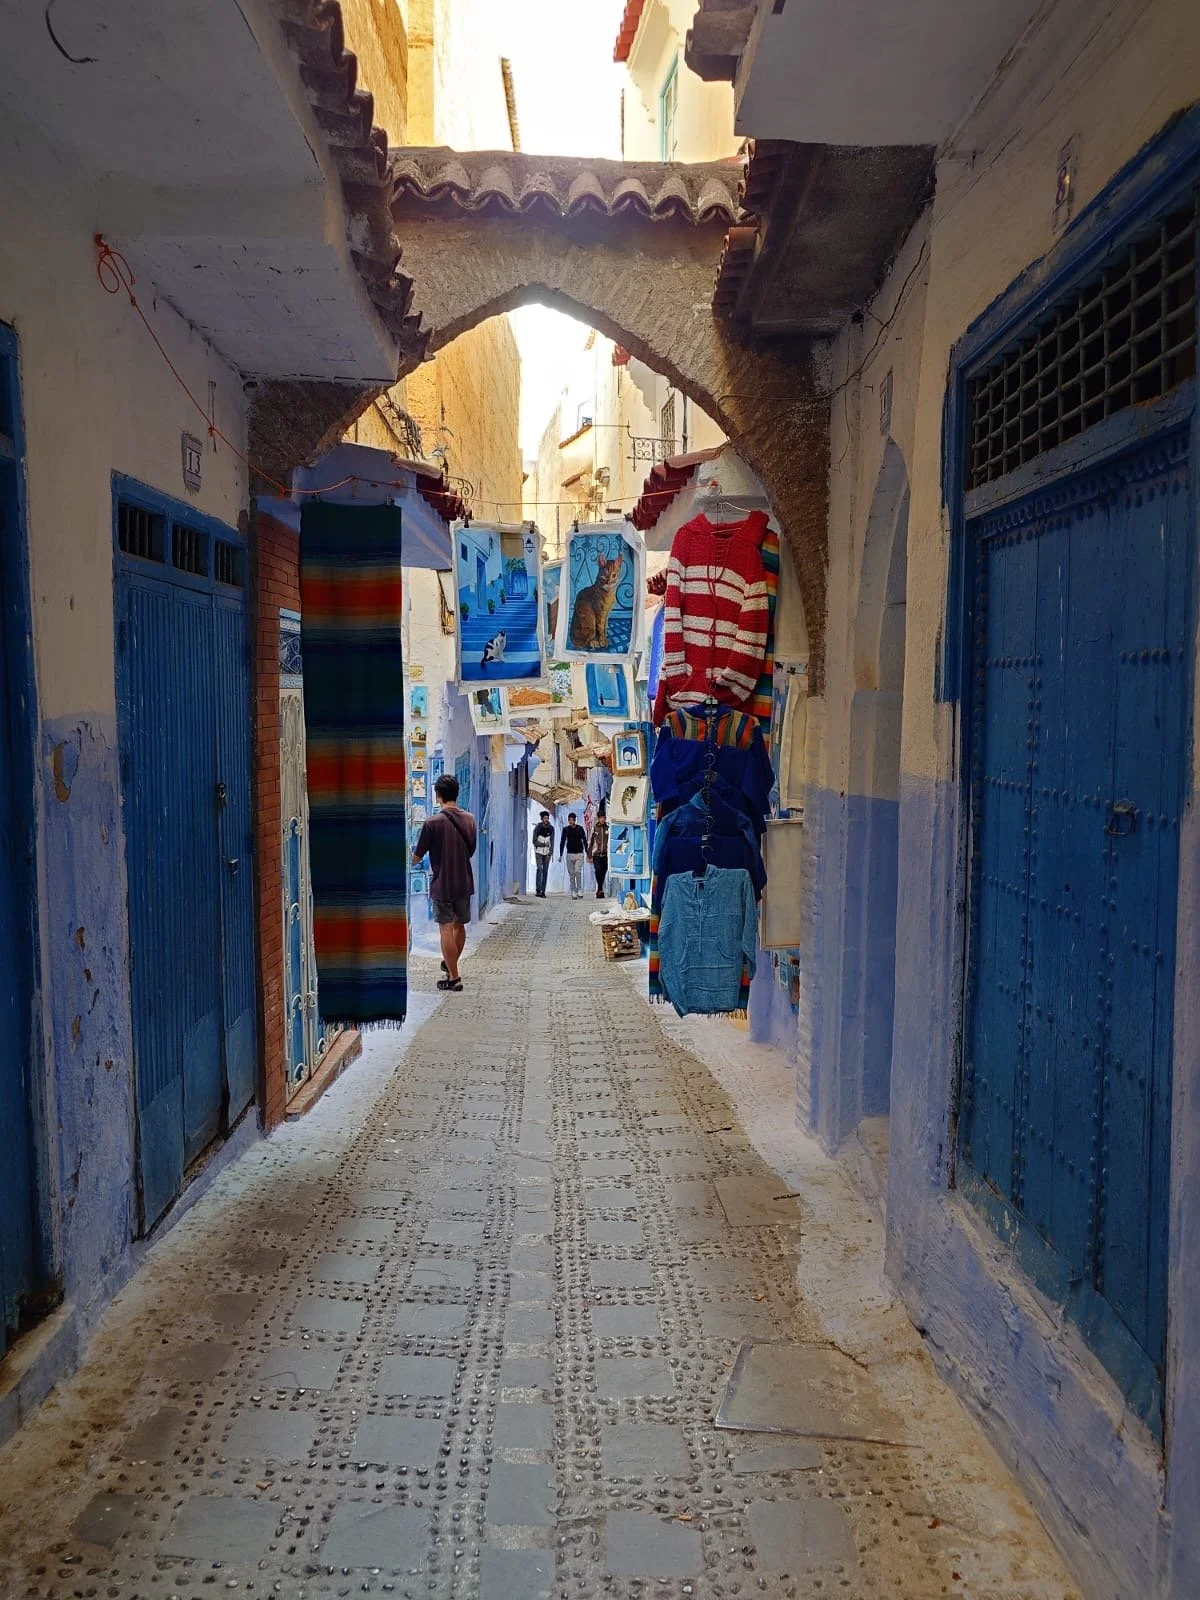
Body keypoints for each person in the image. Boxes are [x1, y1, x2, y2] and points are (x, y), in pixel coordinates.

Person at [412, 773, 477, 991]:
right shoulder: (470, 819)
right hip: (464, 881)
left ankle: (454, 977)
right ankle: (451, 968)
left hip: (442, 883)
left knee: (446, 929)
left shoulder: (432, 823)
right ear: (456, 793)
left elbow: (417, 857)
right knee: (459, 926)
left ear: (438, 795)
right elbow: (472, 850)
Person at [559, 810, 588, 899]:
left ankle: (579, 889)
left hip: (579, 853)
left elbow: (584, 840)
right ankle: (573, 891)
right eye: (569, 820)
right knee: (571, 874)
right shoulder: (565, 830)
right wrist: (560, 854)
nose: (571, 821)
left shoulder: (580, 829)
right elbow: (562, 842)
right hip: (569, 854)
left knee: (577, 872)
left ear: (575, 820)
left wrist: (587, 852)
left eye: (572, 820)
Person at [587, 802, 610, 899]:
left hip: (605, 854)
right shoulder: (595, 828)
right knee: (598, 870)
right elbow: (590, 841)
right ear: (598, 818)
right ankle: (600, 889)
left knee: (604, 871)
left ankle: (599, 889)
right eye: (601, 818)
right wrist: (589, 855)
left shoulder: (608, 827)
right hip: (596, 854)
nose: (603, 819)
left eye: (604, 818)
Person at [532, 809, 554, 898]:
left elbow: (552, 841)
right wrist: (543, 844)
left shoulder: (551, 828)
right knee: (539, 869)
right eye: (544, 818)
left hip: (547, 853)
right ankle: (538, 889)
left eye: (547, 818)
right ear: (542, 819)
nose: (546, 820)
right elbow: (534, 841)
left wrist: (550, 852)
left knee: (545, 871)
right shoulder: (538, 827)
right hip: (539, 852)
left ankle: (543, 891)